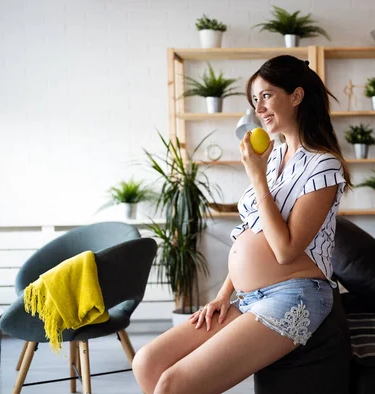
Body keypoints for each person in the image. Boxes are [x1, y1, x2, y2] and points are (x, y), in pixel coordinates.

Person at [132, 54, 352, 394]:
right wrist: (222, 296)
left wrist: (256, 176)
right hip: (249, 297)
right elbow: (252, 231)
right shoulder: (275, 156)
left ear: (296, 96)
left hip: (296, 294)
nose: (259, 108)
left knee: (173, 385)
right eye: (254, 99)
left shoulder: (323, 166)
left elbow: (284, 250)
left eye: (266, 95)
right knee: (147, 362)